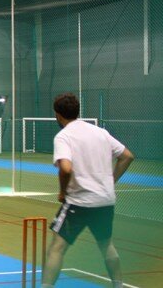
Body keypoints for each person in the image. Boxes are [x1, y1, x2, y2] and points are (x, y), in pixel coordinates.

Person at [41, 93, 134, 288]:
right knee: (106, 245)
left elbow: (66, 168)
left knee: (56, 248)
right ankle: (118, 284)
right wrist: (111, 180)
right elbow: (127, 156)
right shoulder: (100, 132)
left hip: (79, 203)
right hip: (105, 201)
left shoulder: (64, 136)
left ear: (58, 115)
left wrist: (62, 192)